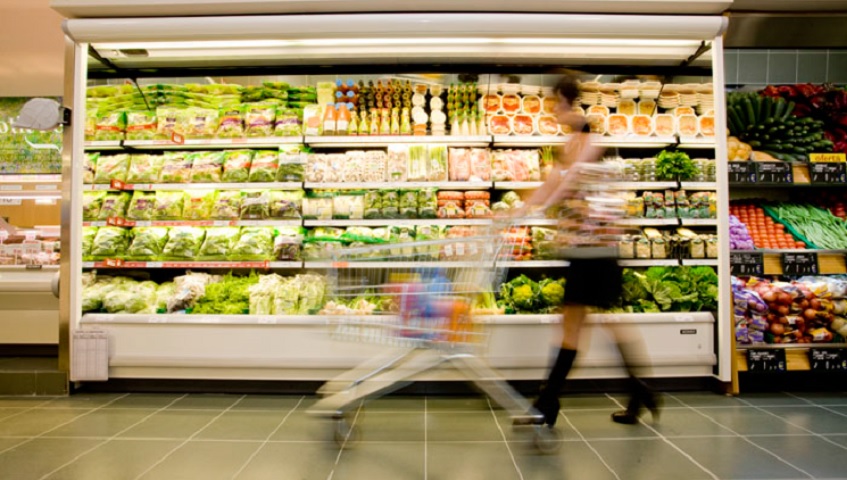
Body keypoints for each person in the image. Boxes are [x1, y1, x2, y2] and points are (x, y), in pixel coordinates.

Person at [515, 75, 660, 428]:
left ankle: (549, 404)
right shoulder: (574, 142)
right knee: (592, 322)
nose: (552, 110)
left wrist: (529, 207)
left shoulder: (587, 140)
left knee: (579, 325)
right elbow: (554, 185)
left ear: (566, 102)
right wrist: (520, 210)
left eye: (554, 103)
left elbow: (560, 186)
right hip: (587, 249)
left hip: (593, 250)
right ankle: (637, 390)